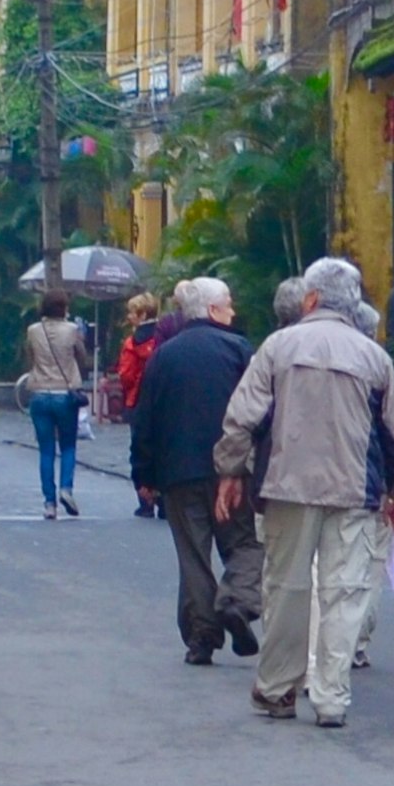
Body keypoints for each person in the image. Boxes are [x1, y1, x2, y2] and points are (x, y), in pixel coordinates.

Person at [214, 257, 394, 729]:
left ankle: (278, 688)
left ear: (309, 299)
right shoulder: (373, 357)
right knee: (344, 593)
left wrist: (229, 470)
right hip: (354, 491)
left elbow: (242, 416)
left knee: (285, 588)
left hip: (287, 485)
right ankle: (331, 698)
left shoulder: (278, 347)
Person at [129, 277, 260, 664]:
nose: (233, 312)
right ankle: (236, 600)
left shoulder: (163, 355)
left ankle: (202, 636)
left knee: (193, 555)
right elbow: (258, 411)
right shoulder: (238, 350)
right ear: (214, 310)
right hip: (232, 470)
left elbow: (144, 419)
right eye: (229, 305)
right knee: (247, 544)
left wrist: (144, 474)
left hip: (178, 470)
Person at [21, 291, 92, 518]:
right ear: (64, 308)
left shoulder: (33, 331)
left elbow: (29, 357)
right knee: (68, 445)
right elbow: (82, 357)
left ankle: (49, 503)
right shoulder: (72, 330)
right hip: (65, 393)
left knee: (46, 450)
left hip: (40, 393)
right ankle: (66, 488)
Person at [111, 293, 165, 517]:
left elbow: (126, 375)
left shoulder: (132, 343)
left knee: (140, 450)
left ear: (143, 314)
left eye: (132, 312)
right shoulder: (164, 338)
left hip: (138, 399)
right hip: (162, 401)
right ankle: (164, 498)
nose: (129, 317)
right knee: (162, 449)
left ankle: (145, 500)